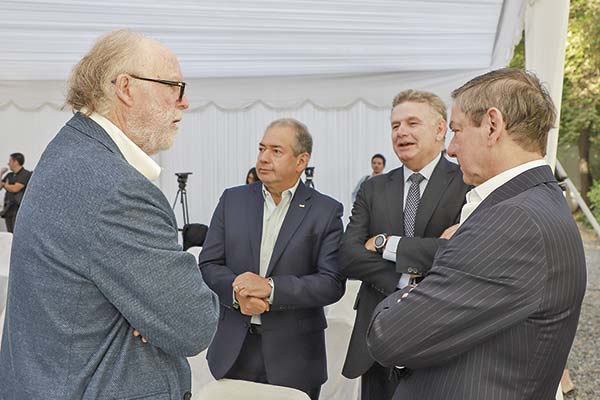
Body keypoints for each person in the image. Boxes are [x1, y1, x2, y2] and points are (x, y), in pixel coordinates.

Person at [0, 30, 218, 400]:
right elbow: (193, 323)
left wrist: (145, 310)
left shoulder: (70, 149)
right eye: (174, 86)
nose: (184, 102)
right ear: (126, 88)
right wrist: (150, 312)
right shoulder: (117, 189)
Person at [366, 68, 587, 399]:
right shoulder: (534, 202)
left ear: (492, 125)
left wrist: (413, 289)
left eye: (456, 130)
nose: (451, 149)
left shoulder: (512, 221)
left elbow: (389, 336)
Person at [199, 118, 345, 400]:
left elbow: (331, 283)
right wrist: (237, 293)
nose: (263, 158)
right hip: (234, 350)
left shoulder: (325, 211)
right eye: (261, 148)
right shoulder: (232, 200)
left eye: (276, 151)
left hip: (296, 357)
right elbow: (209, 264)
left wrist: (271, 288)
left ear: (301, 161)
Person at [341, 90, 469, 400]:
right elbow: (346, 256)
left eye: (412, 123)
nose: (401, 132)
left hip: (437, 337)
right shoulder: (373, 188)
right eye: (395, 125)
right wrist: (404, 277)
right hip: (377, 339)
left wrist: (385, 244)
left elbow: (458, 254)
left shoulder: (467, 183)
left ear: (440, 129)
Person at [0, 153, 32, 233]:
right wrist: (1, 173)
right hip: (8, 208)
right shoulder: (9, 175)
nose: (8, 163)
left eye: (10, 161)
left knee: (16, 233)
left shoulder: (25, 174)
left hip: (18, 209)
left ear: (16, 162)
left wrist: (5, 185)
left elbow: (15, 188)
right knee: (10, 233)